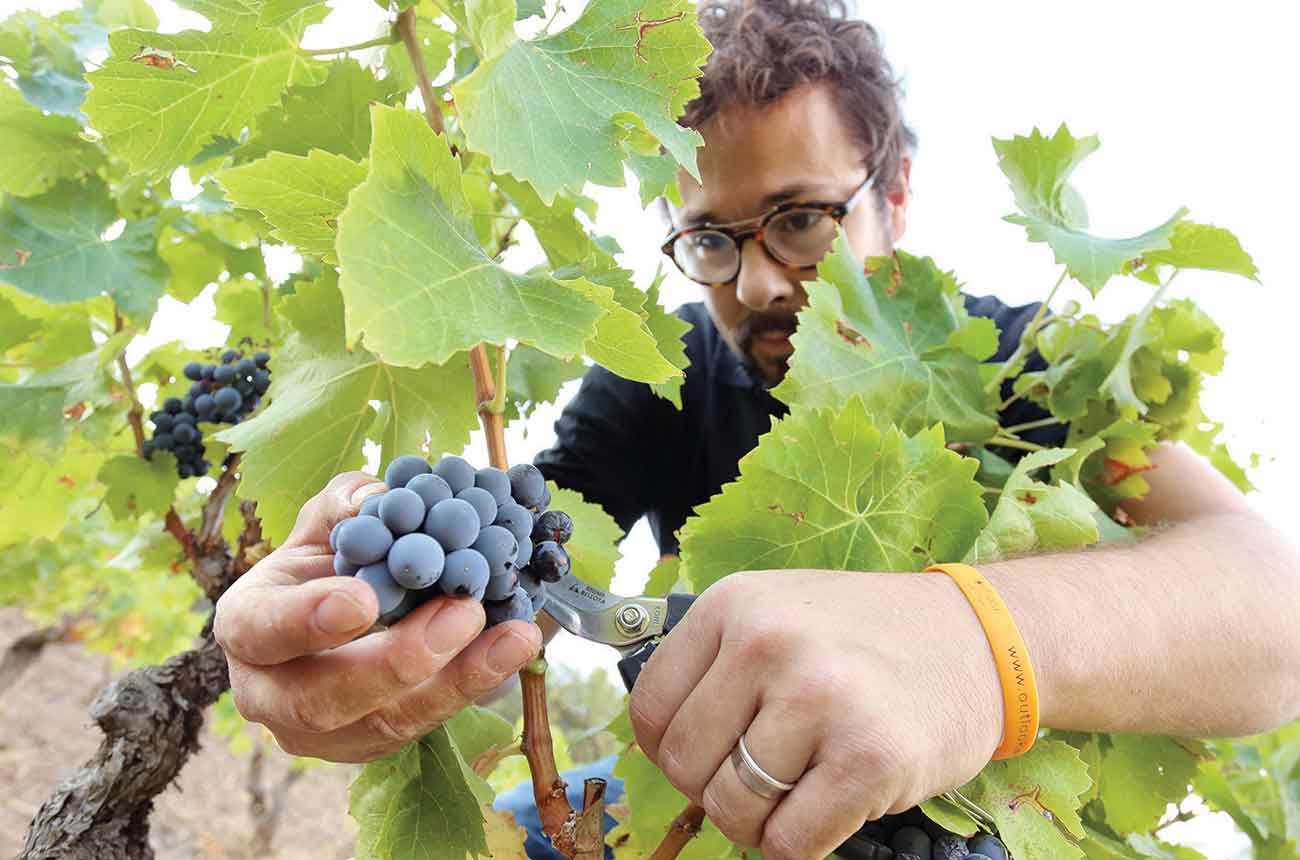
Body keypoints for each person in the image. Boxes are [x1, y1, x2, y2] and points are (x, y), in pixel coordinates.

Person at [212, 1, 1300, 858]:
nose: (762, 279)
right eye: (711, 241)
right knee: (516, 821)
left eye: (798, 217)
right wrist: (387, 636)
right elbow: (535, 570)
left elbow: (1273, 612)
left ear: (897, 191)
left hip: (973, 822)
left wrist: (976, 640)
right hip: (721, 796)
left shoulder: (1011, 355)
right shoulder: (665, 371)